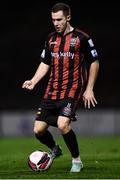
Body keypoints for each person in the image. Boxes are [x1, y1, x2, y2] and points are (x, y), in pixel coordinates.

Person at [22, 2, 99, 172]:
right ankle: (55, 149)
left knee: (63, 124)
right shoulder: (50, 39)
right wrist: (34, 81)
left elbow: (94, 62)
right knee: (38, 130)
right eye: (53, 20)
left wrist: (89, 88)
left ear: (68, 18)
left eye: (59, 19)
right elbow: (45, 63)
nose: (56, 23)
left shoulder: (82, 38)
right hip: (52, 90)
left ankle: (76, 161)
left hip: (72, 89)